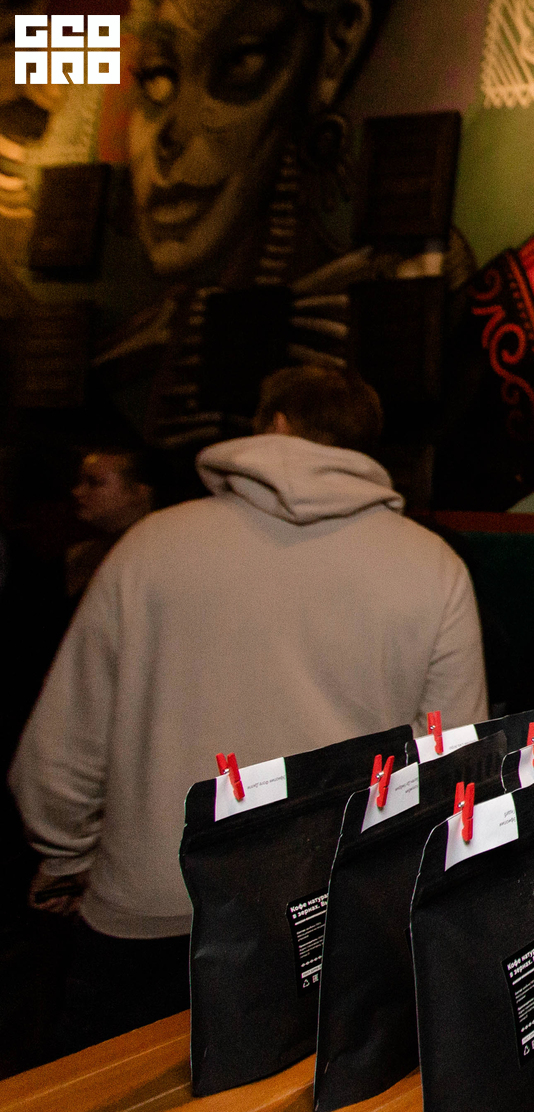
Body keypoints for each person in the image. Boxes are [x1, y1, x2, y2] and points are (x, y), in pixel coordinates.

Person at [10, 365, 488, 1054]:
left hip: (154, 907)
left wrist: (66, 856)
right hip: (328, 922)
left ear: (277, 425)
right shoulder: (433, 566)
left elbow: (61, 751)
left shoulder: (150, 546)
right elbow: (448, 765)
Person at [65, 447, 158, 599]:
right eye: (80, 482)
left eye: (94, 482)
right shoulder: (79, 555)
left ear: (138, 492)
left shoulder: (155, 557)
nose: (77, 492)